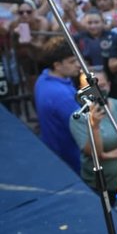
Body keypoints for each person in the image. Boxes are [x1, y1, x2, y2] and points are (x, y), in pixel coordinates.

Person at [68, 68, 117, 217]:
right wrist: (95, 127)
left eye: (101, 86)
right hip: (102, 185)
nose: (98, 91)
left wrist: (108, 155)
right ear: (81, 91)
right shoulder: (77, 119)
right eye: (91, 88)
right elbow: (95, 154)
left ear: (109, 85)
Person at [34, 36, 81, 173]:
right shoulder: (61, 95)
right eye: (72, 61)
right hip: (71, 159)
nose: (78, 64)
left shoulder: (43, 78)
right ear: (57, 65)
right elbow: (84, 130)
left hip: (55, 153)